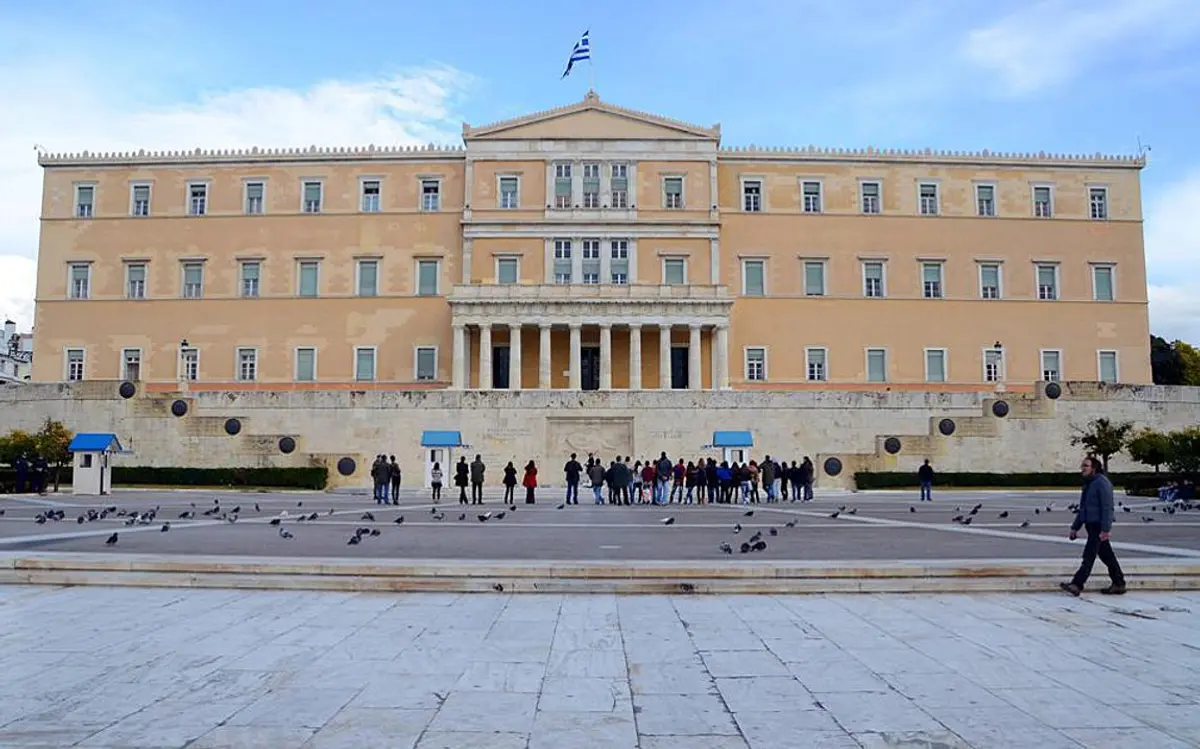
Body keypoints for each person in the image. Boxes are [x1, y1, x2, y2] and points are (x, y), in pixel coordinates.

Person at [1062, 456, 1126, 596]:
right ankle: (1119, 583)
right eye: (1082, 466)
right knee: (1107, 556)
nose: (1082, 469)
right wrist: (1075, 527)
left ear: (1094, 468)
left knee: (1089, 555)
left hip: (1098, 526)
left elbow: (1107, 507)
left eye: (1086, 466)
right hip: (1091, 525)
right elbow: (1083, 509)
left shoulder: (1102, 483)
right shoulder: (1089, 484)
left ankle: (1077, 584)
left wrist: (1105, 529)